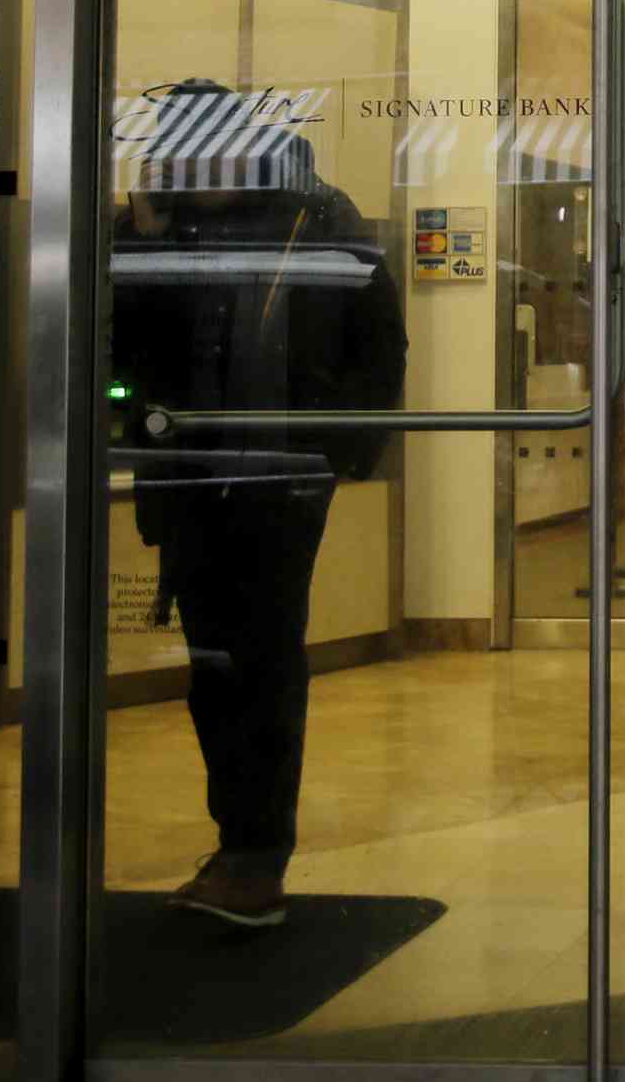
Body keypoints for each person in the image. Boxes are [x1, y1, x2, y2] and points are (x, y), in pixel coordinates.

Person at [111, 80, 405, 930]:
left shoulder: (317, 215)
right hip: (189, 472)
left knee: (262, 657)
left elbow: (378, 338)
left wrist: (341, 447)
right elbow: (119, 343)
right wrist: (138, 238)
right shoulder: (159, 227)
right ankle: (239, 842)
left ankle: (255, 856)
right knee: (215, 664)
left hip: (278, 477)